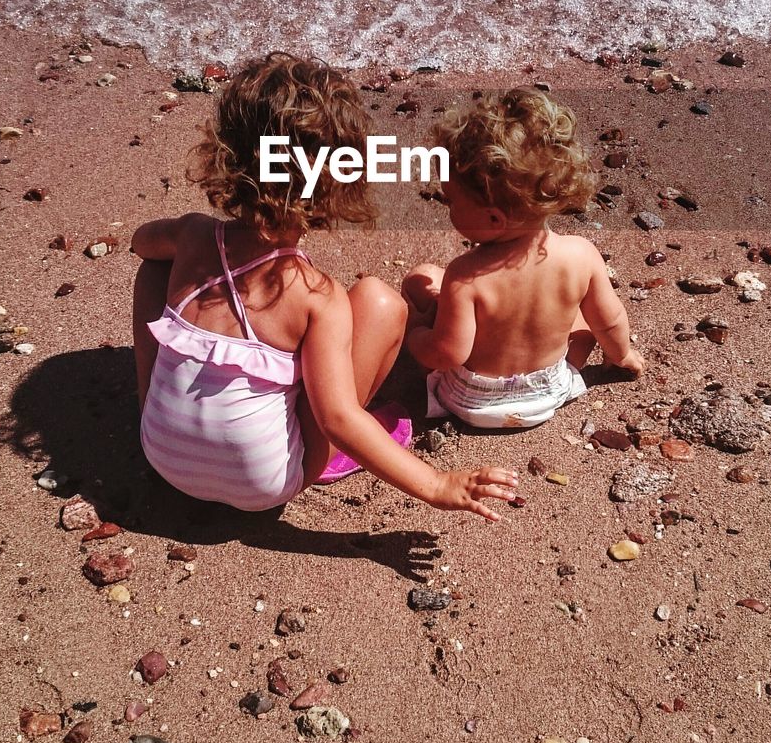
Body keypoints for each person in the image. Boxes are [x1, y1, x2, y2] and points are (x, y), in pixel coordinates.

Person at [132, 52, 518, 519]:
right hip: (268, 484)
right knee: (380, 302)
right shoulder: (316, 295)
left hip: (160, 456)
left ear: (228, 157)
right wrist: (437, 484)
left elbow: (140, 244)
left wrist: (191, 253)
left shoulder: (193, 234)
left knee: (155, 268)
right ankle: (331, 457)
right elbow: (337, 417)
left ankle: (158, 408)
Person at [403, 87, 645, 429]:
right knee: (584, 320)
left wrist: (414, 331)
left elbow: (446, 354)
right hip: (548, 395)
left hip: (473, 403)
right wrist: (622, 355)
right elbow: (610, 321)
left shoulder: (466, 276)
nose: (449, 210)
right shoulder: (580, 255)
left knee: (422, 276)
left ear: (493, 219)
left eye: (452, 201)